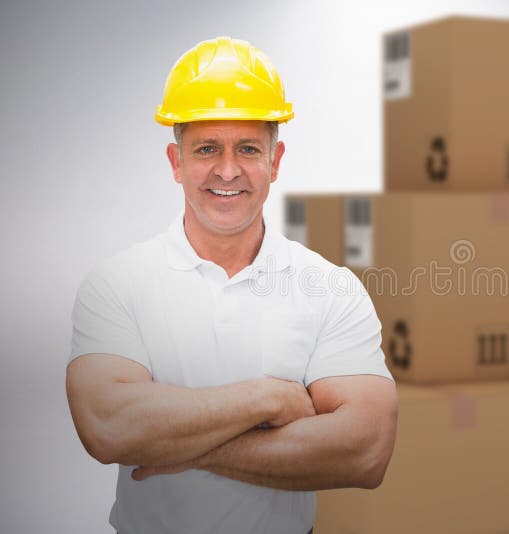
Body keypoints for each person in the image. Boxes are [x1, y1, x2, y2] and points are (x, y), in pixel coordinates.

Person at [65, 37, 398, 534]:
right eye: (206, 149)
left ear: (275, 161)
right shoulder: (117, 285)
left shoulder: (330, 288)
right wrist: (270, 399)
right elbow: (107, 427)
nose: (227, 170)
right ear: (176, 162)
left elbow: (367, 449)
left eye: (248, 149)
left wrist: (185, 449)